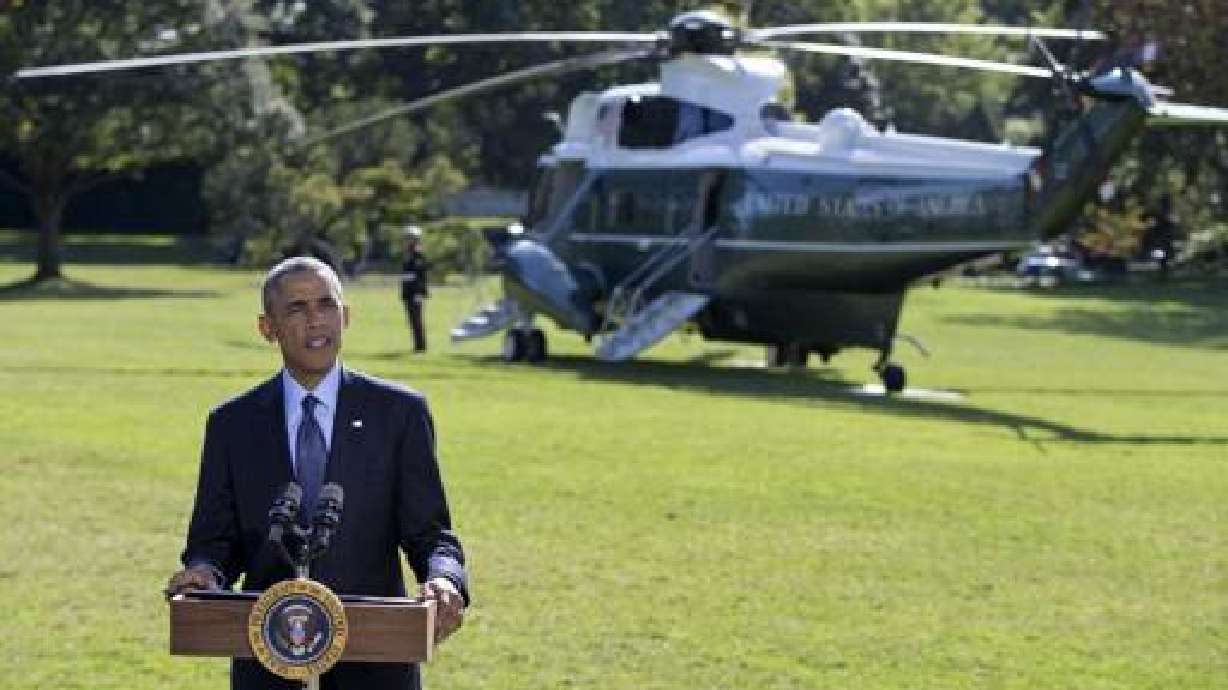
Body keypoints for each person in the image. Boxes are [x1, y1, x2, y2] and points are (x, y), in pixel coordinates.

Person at [165, 256, 467, 690]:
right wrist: (204, 573)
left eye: (326, 305)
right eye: (296, 309)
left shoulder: (399, 413)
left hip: (375, 661)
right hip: (267, 664)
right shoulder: (233, 423)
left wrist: (443, 578)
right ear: (267, 328)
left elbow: (431, 535)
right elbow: (213, 542)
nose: (315, 320)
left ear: (345, 316)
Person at [400, 226, 430, 352]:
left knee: (417, 320)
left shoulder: (418, 255)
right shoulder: (408, 255)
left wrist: (419, 292)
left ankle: (420, 346)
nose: (406, 241)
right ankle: (417, 345)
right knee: (412, 320)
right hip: (408, 292)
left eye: (408, 238)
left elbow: (421, 276)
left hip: (415, 292)